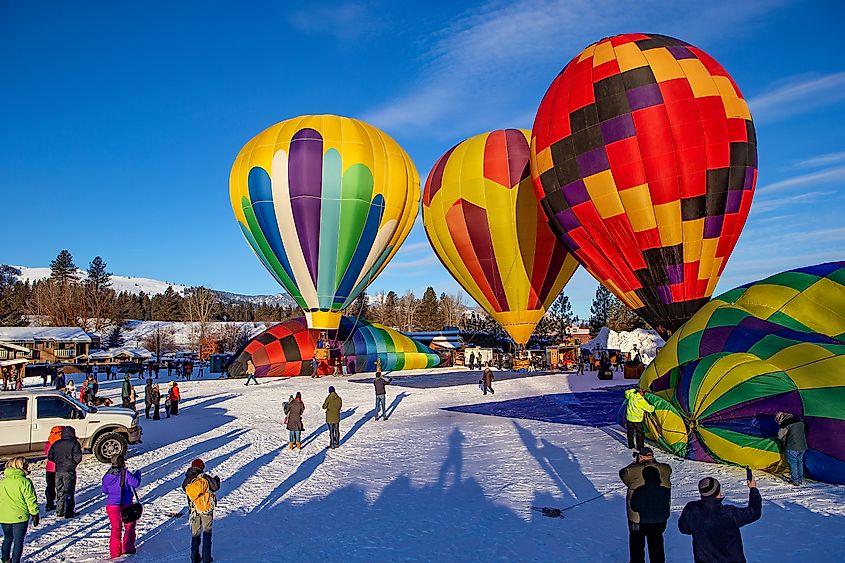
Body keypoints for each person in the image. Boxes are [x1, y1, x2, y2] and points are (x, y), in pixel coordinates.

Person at [678, 475, 762, 562]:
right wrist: (753, 489)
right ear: (718, 491)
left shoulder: (691, 509)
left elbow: (684, 529)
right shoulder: (728, 513)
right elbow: (754, 512)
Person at [620, 447, 672, 563]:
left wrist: (635, 462)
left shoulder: (632, 471)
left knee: (637, 546)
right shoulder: (665, 469)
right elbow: (661, 468)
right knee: (657, 544)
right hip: (659, 518)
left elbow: (623, 473)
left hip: (637, 519)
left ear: (641, 457)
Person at [0, 456, 39, 563]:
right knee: (18, 541)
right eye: (25, 464)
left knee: (7, 538)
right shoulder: (25, 482)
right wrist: (34, 513)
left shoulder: (3, 482)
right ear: (20, 466)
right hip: (19, 517)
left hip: (4, 516)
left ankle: (5, 559)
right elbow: (30, 500)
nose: (27, 466)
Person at [101, 454, 141, 559]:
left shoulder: (106, 475)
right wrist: (137, 474)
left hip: (112, 505)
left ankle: (115, 553)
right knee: (129, 526)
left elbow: (104, 490)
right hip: (126, 504)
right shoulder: (125, 473)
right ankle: (128, 548)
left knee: (115, 529)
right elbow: (136, 483)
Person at [182, 459, 220, 563]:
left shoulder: (187, 479)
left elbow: (185, 489)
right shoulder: (205, 478)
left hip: (193, 510)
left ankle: (195, 558)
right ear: (201, 467)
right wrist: (216, 479)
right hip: (206, 509)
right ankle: (206, 558)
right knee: (207, 533)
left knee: (195, 535)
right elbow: (215, 487)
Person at [47, 426, 83, 518]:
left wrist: (59, 462)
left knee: (60, 490)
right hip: (69, 471)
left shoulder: (56, 443)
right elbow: (78, 457)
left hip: (58, 470)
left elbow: (50, 456)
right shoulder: (75, 443)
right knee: (69, 491)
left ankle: (60, 510)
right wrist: (72, 464)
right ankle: (69, 512)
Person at [776, 411, 807, 485]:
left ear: (780, 418)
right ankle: (800, 479)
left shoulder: (785, 424)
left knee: (793, 463)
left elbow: (780, 436)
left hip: (792, 446)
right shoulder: (799, 422)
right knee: (799, 462)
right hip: (802, 446)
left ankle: (795, 480)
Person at [43, 425, 63, 511]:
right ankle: (60, 504)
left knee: (50, 486)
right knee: (61, 487)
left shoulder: (49, 442)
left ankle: (49, 503)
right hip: (60, 468)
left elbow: (46, 452)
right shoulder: (62, 443)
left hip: (50, 469)